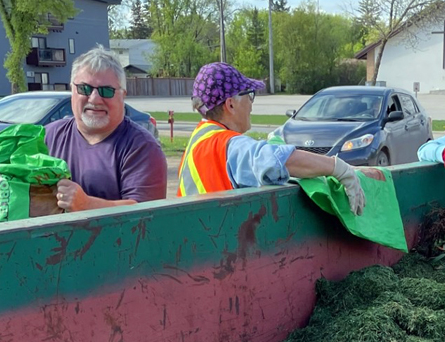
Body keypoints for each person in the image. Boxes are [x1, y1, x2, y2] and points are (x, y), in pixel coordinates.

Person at [178, 62, 366, 215]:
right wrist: (339, 169)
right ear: (231, 104)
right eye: (249, 95)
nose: (251, 104)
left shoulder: (200, 138)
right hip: (217, 248)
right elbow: (279, 160)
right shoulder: (229, 145)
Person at [45, 46, 167, 211]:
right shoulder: (48, 137)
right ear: (72, 90)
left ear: (122, 96)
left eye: (106, 91)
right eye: (84, 88)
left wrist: (86, 205)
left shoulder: (142, 148)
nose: (95, 99)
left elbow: (145, 215)